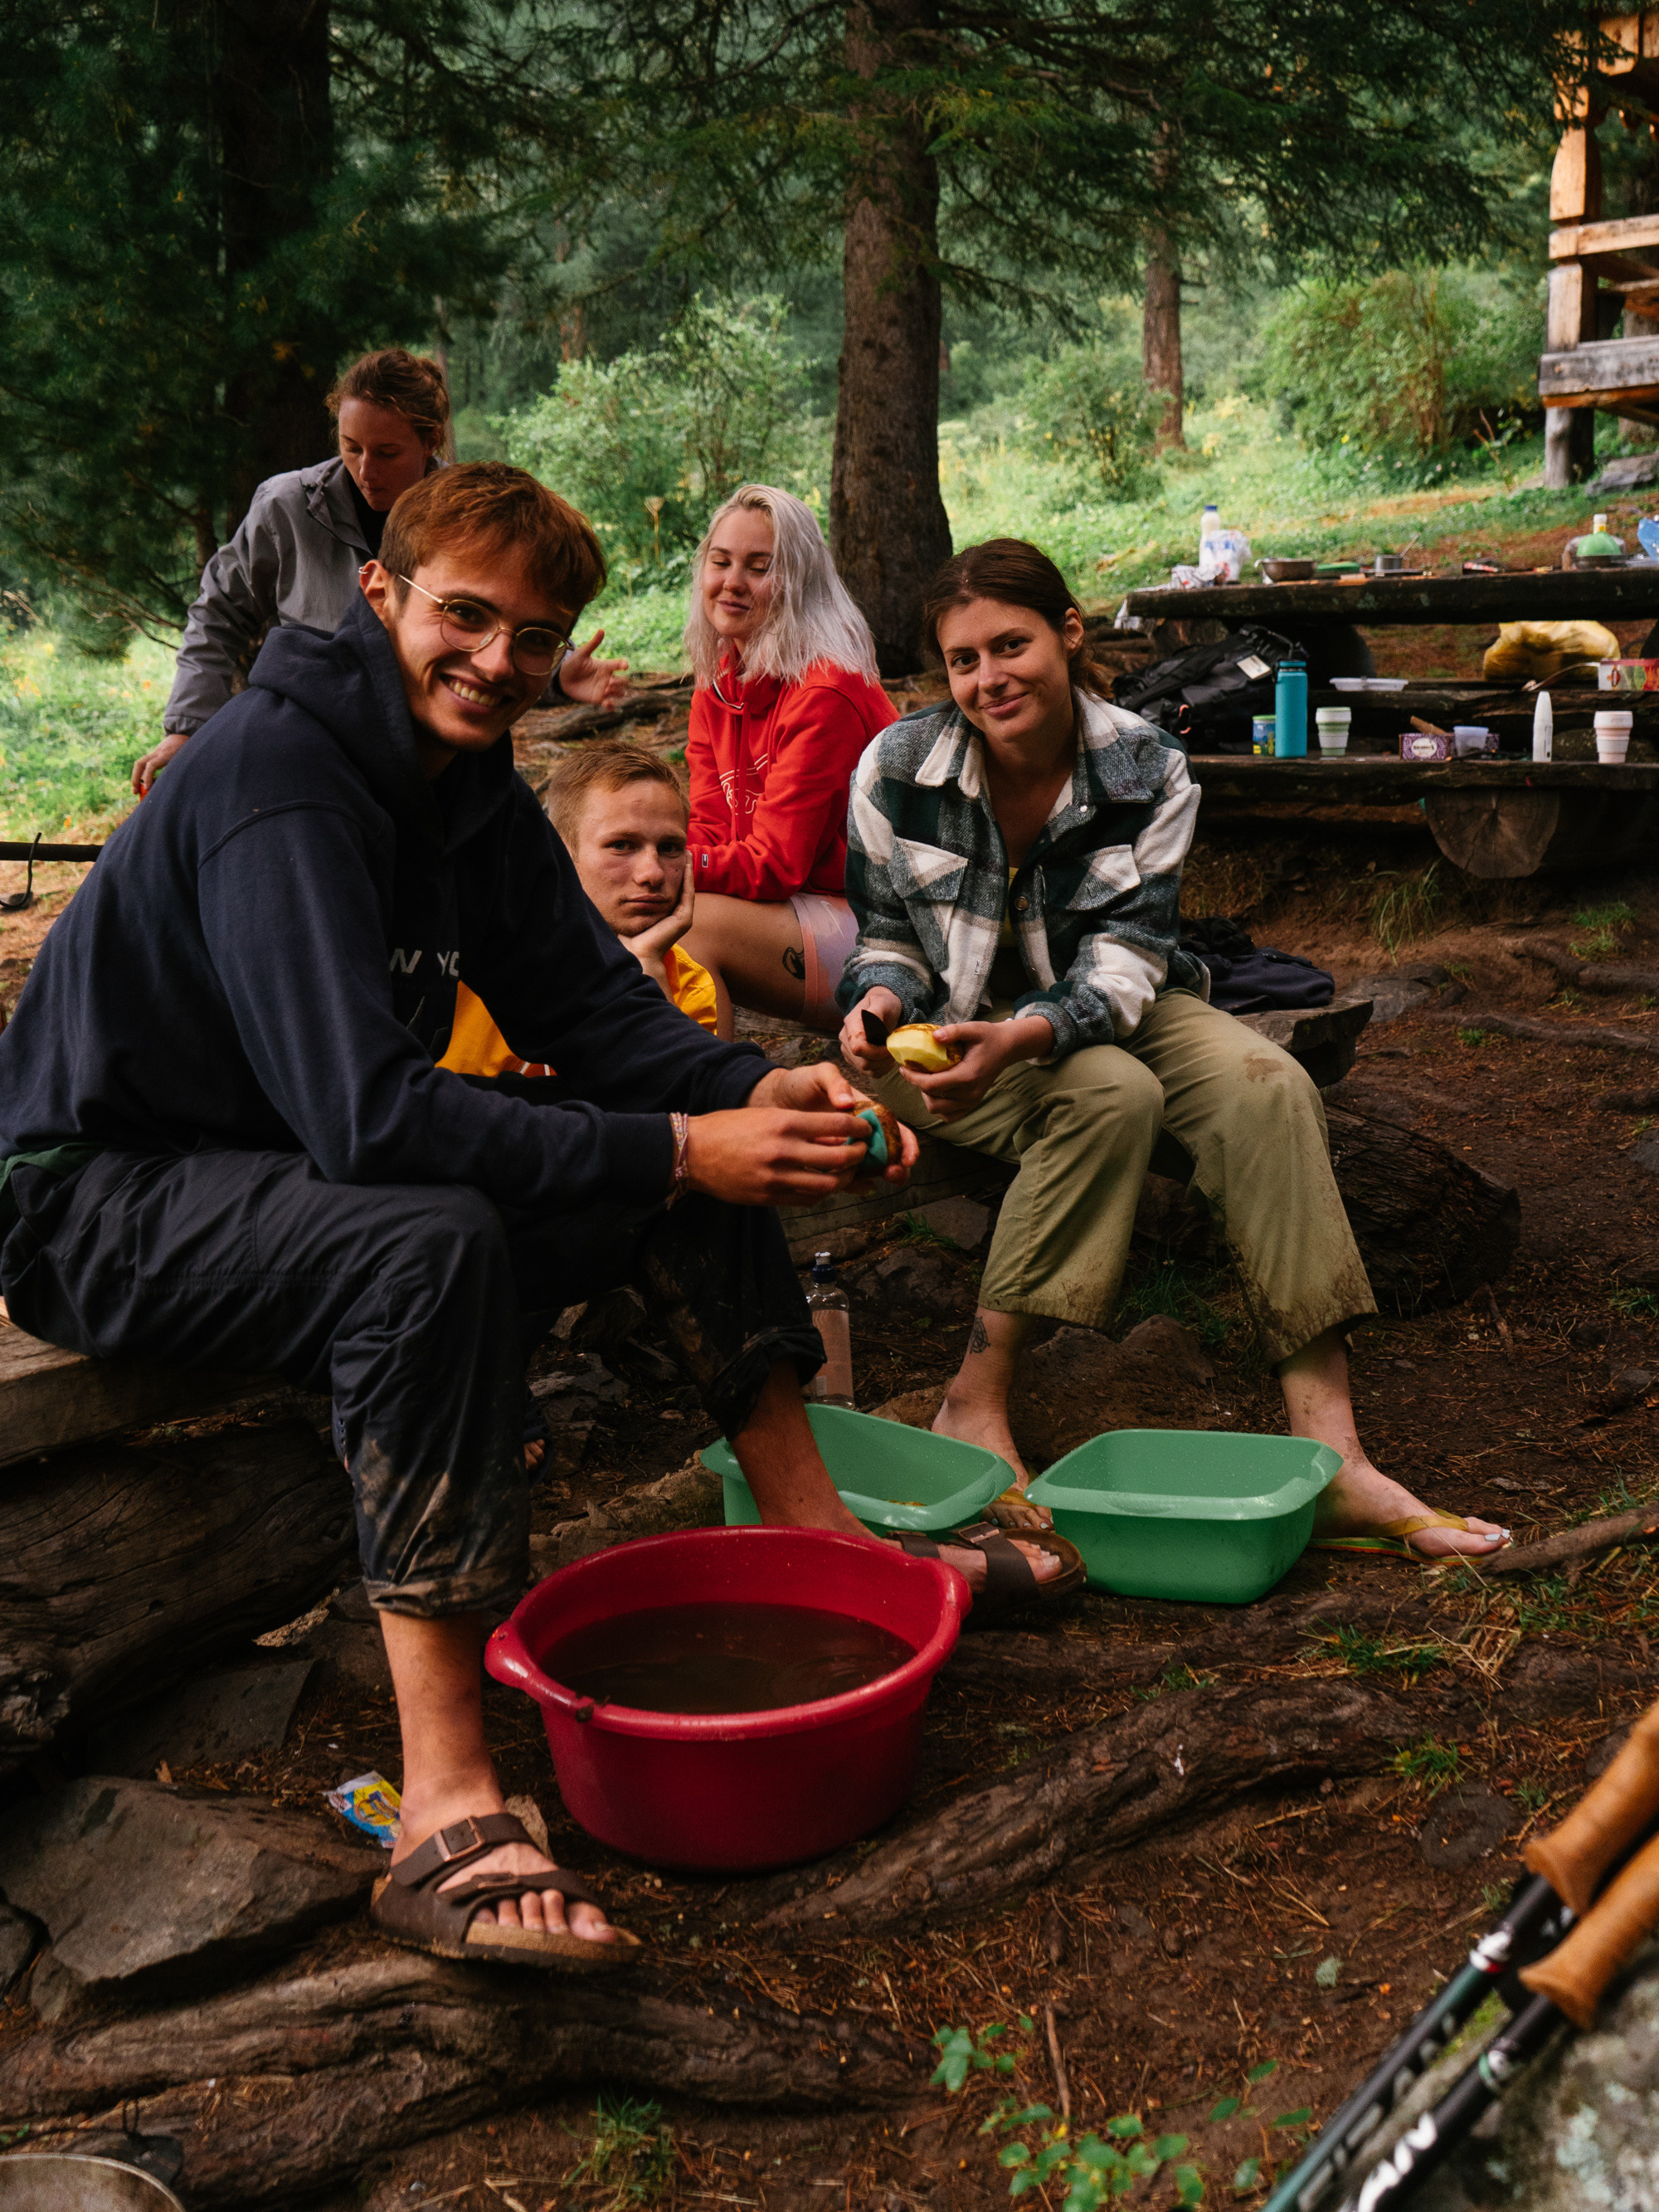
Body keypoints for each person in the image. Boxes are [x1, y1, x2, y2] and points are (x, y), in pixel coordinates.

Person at [0, 465, 1053, 1976]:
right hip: (96, 1196)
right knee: (443, 1233)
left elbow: (591, 1014)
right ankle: (441, 1807)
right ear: (382, 597)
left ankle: (825, 1551)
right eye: (465, 618)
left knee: (670, 1140)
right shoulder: (278, 778)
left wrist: (786, 1099)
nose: (500, 663)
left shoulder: (464, 787)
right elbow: (366, 1122)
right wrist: (682, 1147)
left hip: (276, 1172)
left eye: (536, 636)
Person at [838, 538, 1509, 1569]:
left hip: (1096, 1005)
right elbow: (883, 936)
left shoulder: (1147, 766)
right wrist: (878, 1004)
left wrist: (1024, 1032)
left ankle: (1333, 1457)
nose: (988, 678)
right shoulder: (893, 768)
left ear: (1068, 634)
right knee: (1106, 1095)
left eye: (1010, 644)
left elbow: (1119, 966)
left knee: (1266, 1085)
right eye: (963, 660)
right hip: (950, 1035)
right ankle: (971, 1404)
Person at [131, 348, 626, 795]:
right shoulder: (286, 509)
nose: (365, 470)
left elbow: (482, 641)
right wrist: (188, 727)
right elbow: (219, 613)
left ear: (431, 441)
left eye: (387, 453)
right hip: (310, 749)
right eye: (351, 447)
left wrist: (558, 677)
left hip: (428, 762)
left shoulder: (475, 522)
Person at [674, 485, 898, 1030]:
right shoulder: (716, 688)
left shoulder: (826, 690)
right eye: (721, 562)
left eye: (758, 567)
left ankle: (720, 1107)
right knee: (641, 906)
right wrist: (649, 867)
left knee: (689, 925)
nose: (732, 583)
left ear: (798, 581)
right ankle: (663, 1101)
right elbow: (708, 822)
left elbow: (775, 866)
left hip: (890, 931)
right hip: (806, 908)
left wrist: (671, 867)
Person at [440, 742, 727, 1074]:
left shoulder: (685, 985)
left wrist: (647, 966)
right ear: (558, 851)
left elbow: (673, 1110)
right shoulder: (476, 951)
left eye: (670, 848)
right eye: (621, 846)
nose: (653, 873)